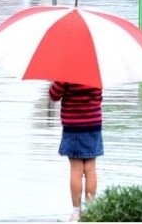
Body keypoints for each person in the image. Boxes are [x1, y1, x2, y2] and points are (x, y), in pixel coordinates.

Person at [48, 81, 104, 221]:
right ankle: (91, 210)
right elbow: (98, 97)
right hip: (93, 125)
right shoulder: (96, 72)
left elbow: (54, 95)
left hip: (73, 126)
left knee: (76, 170)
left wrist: (55, 82)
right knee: (90, 169)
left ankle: (76, 212)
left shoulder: (66, 72)